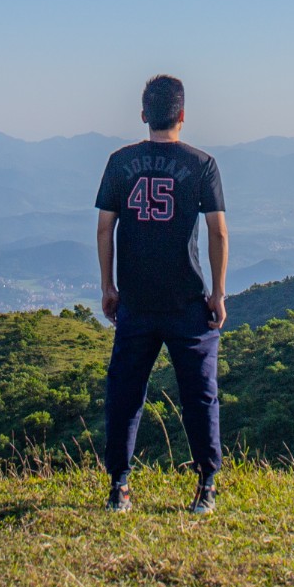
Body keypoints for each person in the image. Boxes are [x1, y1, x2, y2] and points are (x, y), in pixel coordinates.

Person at [95, 74, 228, 514]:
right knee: (199, 394)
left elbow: (104, 227)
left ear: (143, 114)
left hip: (135, 300)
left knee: (125, 392)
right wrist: (219, 293)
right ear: (183, 115)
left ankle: (120, 487)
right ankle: (207, 485)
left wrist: (108, 286)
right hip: (186, 300)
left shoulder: (119, 162)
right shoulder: (202, 164)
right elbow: (217, 232)